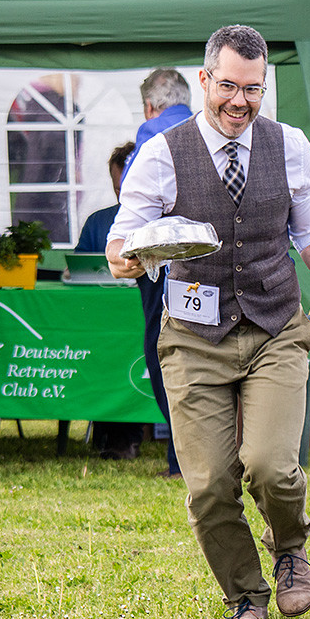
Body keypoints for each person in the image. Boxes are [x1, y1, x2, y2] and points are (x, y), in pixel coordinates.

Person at [105, 25, 310, 619]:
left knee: (272, 464)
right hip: (194, 338)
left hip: (275, 326)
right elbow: (121, 243)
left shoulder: (289, 145)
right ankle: (245, 593)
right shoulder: (161, 155)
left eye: (253, 89)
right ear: (204, 79)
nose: (239, 101)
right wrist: (132, 257)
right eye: (228, 86)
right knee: (208, 483)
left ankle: (291, 549)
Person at [123, 69, 193, 479]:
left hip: (162, 264)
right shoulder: (205, 128)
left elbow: (130, 197)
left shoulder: (151, 133)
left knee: (164, 352)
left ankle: (180, 459)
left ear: (150, 105)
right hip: (207, 259)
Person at [76, 142, 145, 460]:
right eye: (118, 189)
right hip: (103, 317)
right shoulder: (98, 222)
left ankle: (125, 437)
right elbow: (77, 267)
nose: (123, 196)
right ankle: (110, 435)